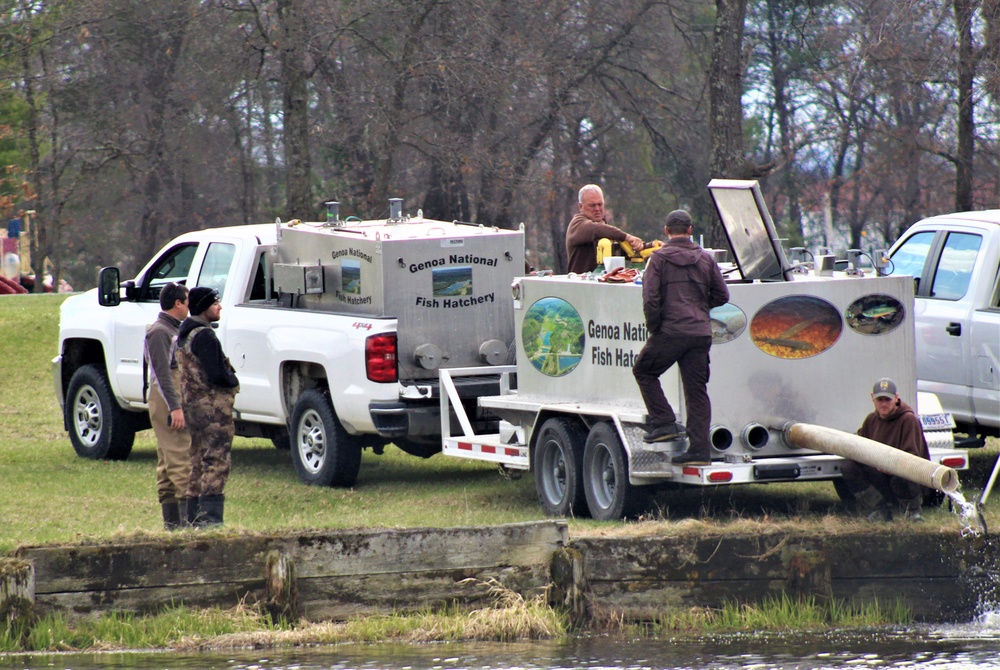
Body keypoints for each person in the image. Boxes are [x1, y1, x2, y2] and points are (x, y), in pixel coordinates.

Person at [632, 209, 729, 465]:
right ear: (689, 230)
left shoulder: (658, 259)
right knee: (696, 392)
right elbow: (723, 296)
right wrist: (699, 308)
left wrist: (655, 329)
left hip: (671, 332)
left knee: (644, 370)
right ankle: (699, 451)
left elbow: (650, 299)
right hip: (699, 334)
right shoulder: (706, 259)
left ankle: (664, 423)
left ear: (666, 231)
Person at [173, 286, 240, 527]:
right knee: (216, 459)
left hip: (191, 406)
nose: (219, 306)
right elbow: (217, 374)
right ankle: (211, 521)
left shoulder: (184, 333)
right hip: (212, 408)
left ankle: (192, 518)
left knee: (198, 459)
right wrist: (233, 379)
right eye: (214, 303)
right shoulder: (205, 336)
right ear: (203, 307)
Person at [841, 378, 930, 522]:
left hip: (904, 475)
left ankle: (912, 511)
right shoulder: (871, 420)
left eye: (887, 399)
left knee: (903, 474)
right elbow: (859, 446)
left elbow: (913, 457)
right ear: (872, 398)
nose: (883, 404)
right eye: (879, 399)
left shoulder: (908, 420)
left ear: (896, 398)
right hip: (880, 473)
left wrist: (891, 466)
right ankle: (878, 509)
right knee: (849, 466)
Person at [145, 282, 191, 530]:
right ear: (177, 304)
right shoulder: (161, 332)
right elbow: (162, 373)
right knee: (180, 457)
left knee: (166, 462)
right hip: (166, 400)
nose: (189, 307)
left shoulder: (170, 329)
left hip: (167, 398)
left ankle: (172, 526)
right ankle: (188, 525)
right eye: (187, 302)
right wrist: (175, 407)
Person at [565, 184, 644, 274]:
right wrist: (627, 237)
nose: (597, 209)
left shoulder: (605, 229)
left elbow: (627, 251)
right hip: (582, 285)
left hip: (606, 284)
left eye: (600, 204)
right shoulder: (577, 224)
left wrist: (650, 247)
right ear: (580, 207)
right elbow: (596, 230)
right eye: (592, 205)